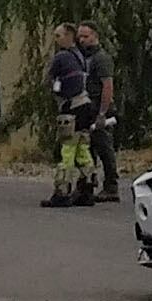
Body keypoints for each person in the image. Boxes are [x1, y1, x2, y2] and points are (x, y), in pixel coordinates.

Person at [44, 25, 93, 205]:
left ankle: (62, 192)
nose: (56, 39)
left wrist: (56, 94)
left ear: (68, 36)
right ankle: (86, 189)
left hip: (70, 107)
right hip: (85, 106)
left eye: (58, 35)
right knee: (82, 148)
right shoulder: (80, 56)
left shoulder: (61, 57)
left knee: (67, 149)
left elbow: (49, 79)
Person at [77, 23, 120, 203]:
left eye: (85, 36)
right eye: (80, 37)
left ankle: (111, 186)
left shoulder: (101, 58)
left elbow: (107, 86)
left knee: (104, 148)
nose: (81, 40)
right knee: (88, 148)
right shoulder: (84, 58)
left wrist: (103, 113)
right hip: (88, 108)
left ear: (95, 36)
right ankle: (87, 185)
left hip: (99, 108)